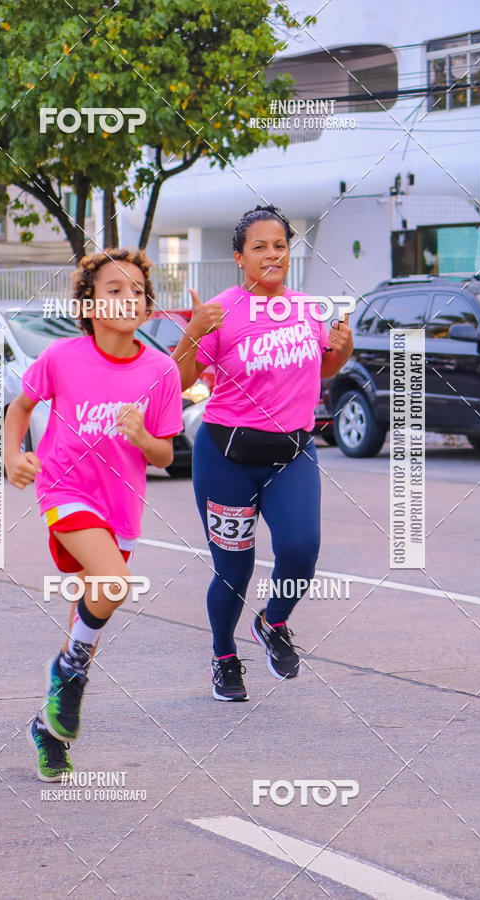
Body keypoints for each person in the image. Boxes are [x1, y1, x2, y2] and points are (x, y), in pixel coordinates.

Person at [4, 249, 183, 780]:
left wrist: (144, 437)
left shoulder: (160, 370)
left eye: (136, 292)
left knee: (100, 594)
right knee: (114, 580)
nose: (127, 299)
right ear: (87, 302)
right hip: (65, 489)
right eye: (114, 289)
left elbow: (167, 455)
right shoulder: (62, 358)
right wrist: (14, 455)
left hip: (121, 506)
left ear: (148, 308)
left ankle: (50, 726)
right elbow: (20, 408)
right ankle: (69, 673)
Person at [172, 205, 353, 701]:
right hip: (227, 456)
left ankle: (273, 623)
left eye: (280, 245)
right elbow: (179, 381)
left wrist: (343, 349)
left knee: (300, 549)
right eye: (260, 247)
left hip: (291, 451)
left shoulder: (307, 308)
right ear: (238, 257)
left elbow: (324, 371)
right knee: (235, 568)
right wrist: (192, 333)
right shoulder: (221, 310)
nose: (273, 255)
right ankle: (223, 657)